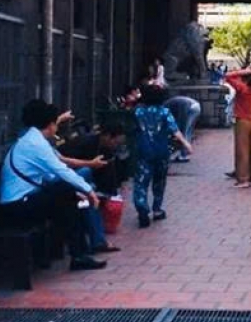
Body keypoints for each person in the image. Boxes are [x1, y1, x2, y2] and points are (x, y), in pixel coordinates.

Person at [0, 100, 106, 270]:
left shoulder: (32, 140)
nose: (57, 128)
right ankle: (78, 254)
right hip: (16, 206)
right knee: (66, 191)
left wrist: (76, 193)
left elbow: (50, 175)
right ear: (50, 125)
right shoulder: (36, 144)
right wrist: (88, 191)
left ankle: (77, 254)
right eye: (56, 123)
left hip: (21, 202)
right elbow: (61, 170)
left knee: (68, 198)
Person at [59, 122, 127, 254]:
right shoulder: (84, 143)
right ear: (107, 136)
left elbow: (108, 175)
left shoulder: (106, 149)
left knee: (88, 199)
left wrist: (109, 195)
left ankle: (97, 240)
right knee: (87, 182)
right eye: (115, 142)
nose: (115, 145)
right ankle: (97, 241)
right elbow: (63, 164)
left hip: (81, 183)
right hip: (66, 178)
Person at [132, 84, 194, 228]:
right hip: (161, 151)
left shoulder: (138, 112)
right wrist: (186, 144)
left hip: (143, 150)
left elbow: (131, 128)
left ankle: (142, 208)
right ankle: (157, 209)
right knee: (159, 181)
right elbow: (175, 130)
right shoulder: (164, 112)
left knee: (141, 182)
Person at [226, 65, 251, 188]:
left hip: (242, 120)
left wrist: (243, 71)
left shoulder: (241, 88)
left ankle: (243, 179)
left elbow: (228, 76)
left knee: (242, 150)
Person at [164, 95, 201, 162]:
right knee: (188, 131)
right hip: (196, 106)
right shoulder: (169, 104)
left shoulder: (165, 107)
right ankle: (184, 153)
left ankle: (184, 155)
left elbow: (171, 121)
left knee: (184, 131)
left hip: (188, 107)